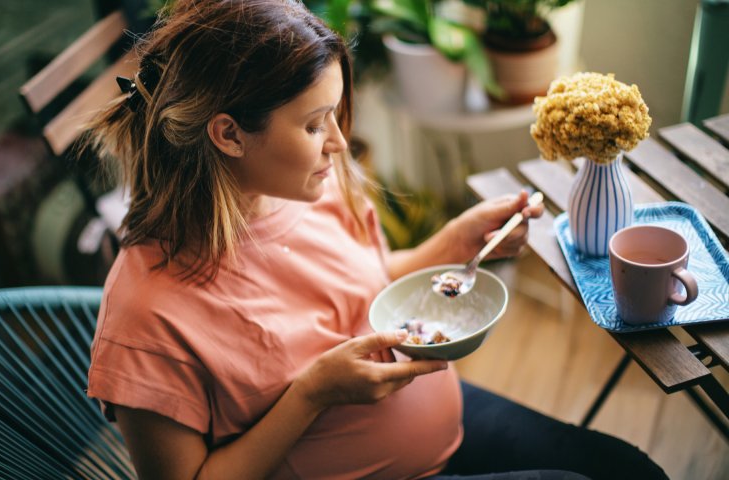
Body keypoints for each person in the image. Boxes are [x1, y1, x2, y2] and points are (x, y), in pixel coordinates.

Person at [86, 1, 668, 479]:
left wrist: (453, 244)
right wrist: (311, 395)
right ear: (229, 134)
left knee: (629, 472)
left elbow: (364, 281)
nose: (338, 143)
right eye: (315, 124)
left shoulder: (301, 185)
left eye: (336, 115)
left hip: (445, 427)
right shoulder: (146, 314)